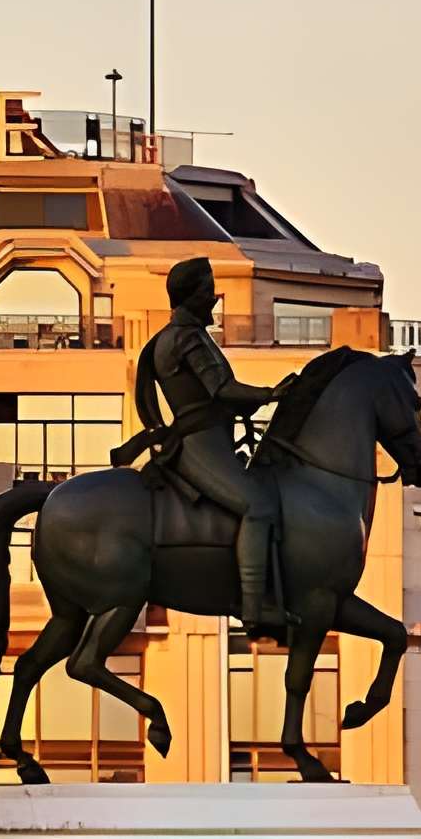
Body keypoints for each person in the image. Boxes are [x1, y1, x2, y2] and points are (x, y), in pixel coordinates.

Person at [111, 254, 288, 638]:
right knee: (258, 507)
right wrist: (272, 393)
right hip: (200, 445)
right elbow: (222, 391)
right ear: (191, 295)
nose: (214, 298)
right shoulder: (185, 338)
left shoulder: (176, 336)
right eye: (208, 290)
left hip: (207, 440)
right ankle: (256, 608)